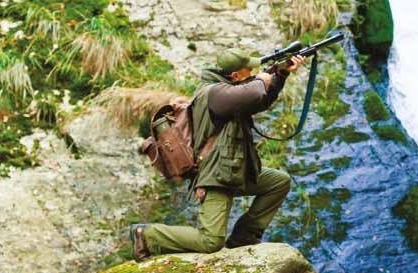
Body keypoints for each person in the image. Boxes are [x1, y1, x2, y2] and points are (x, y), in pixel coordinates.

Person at [129, 49, 307, 261]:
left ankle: (243, 238)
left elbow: (260, 101)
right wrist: (262, 79)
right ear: (235, 76)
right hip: (215, 175)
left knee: (278, 183)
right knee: (210, 241)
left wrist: (281, 75)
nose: (253, 72)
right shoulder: (215, 94)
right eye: (248, 70)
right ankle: (148, 235)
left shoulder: (225, 91)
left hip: (232, 170)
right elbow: (255, 92)